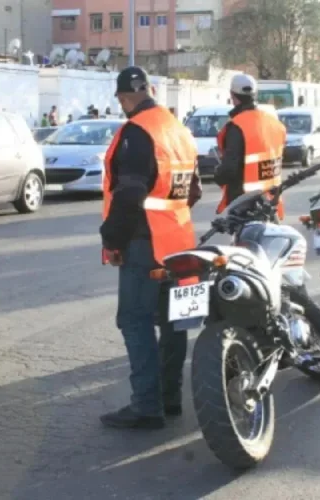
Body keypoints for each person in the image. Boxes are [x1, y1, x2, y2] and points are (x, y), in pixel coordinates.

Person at [99, 66, 202, 430]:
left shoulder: (136, 132)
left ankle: (146, 404)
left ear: (125, 98)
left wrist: (111, 239)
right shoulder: (178, 130)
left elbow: (129, 195)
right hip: (180, 243)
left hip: (146, 245)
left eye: (122, 99)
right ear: (151, 90)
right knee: (173, 323)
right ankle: (169, 396)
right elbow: (194, 191)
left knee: (134, 320)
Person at [214, 73, 286, 220]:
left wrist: (218, 175)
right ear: (255, 94)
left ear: (232, 96)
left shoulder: (237, 126)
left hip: (245, 204)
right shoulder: (274, 124)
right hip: (271, 200)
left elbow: (230, 169)